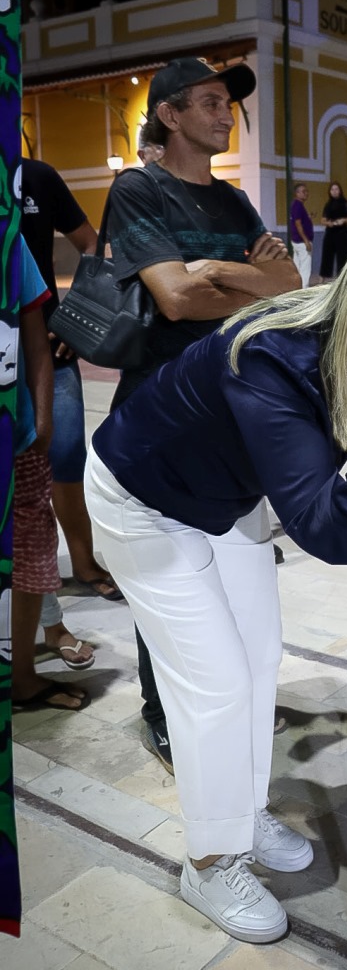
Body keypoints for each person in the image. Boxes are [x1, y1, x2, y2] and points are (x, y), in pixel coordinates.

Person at [83, 217, 347, 943]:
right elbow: (326, 525)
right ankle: (210, 858)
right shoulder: (278, 355)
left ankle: (241, 810)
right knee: (217, 680)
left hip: (223, 495)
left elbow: (330, 500)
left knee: (257, 658)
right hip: (144, 498)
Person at [106, 56, 300, 775]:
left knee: (232, 568)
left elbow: (289, 286)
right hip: (159, 416)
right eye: (212, 102)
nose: (226, 115)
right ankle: (166, 712)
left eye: (229, 105)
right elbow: (173, 301)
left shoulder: (234, 203)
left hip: (232, 411)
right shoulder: (136, 191)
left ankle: (229, 693)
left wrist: (214, 272)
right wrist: (238, 283)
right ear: (170, 114)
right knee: (168, 577)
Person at [22, 157, 119, 674]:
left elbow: (92, 243)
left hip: (47, 344)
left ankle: (81, 562)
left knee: (63, 457)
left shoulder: (37, 178)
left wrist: (76, 313)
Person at [11, 236, 90, 711]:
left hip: (15, 433)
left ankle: (22, 676)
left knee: (30, 557)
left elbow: (34, 338)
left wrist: (41, 420)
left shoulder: (8, 240)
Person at [319, 180, 347, 281]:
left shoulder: (345, 203)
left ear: (340, 191)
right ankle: (322, 279)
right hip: (330, 233)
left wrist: (343, 220)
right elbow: (322, 220)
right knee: (326, 256)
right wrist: (328, 223)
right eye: (332, 189)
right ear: (329, 192)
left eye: (336, 189)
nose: (334, 191)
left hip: (342, 233)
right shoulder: (328, 204)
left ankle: (340, 279)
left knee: (341, 258)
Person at [289, 182, 314, 288]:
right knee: (305, 268)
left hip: (296, 241)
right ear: (297, 193)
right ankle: (304, 290)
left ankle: (296, 288)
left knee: (297, 267)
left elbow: (300, 221)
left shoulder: (295, 205)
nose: (306, 193)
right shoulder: (298, 205)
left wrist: (308, 217)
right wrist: (306, 241)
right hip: (302, 242)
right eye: (303, 191)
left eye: (307, 191)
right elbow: (298, 224)